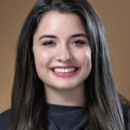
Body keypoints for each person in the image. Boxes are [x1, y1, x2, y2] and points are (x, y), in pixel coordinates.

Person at [0, 0, 130, 130]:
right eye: (49, 43)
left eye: (78, 42)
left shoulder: (126, 120)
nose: (64, 56)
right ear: (30, 51)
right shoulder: (4, 124)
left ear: (95, 49)